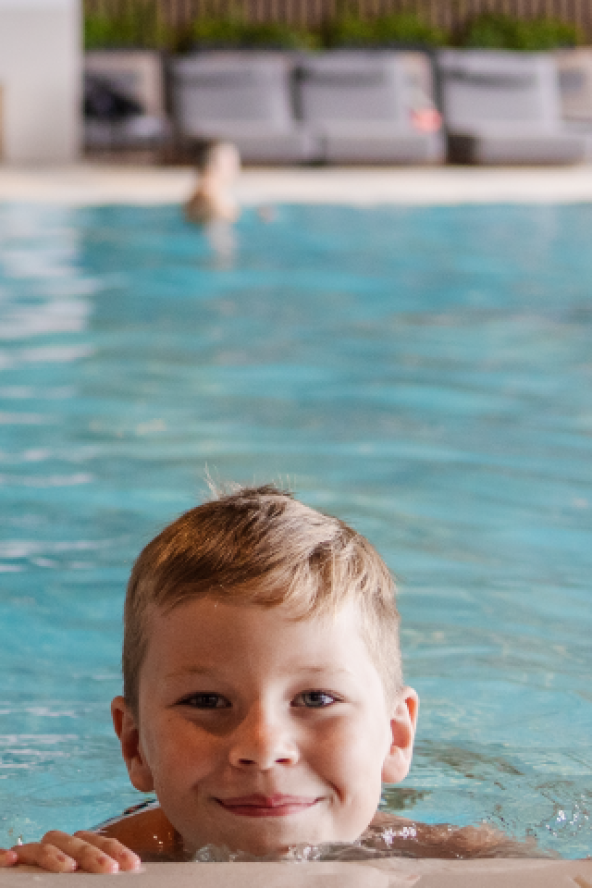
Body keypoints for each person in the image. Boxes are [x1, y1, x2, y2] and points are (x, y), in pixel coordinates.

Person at [0, 484, 536, 873]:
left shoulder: (452, 854)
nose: (262, 747)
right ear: (136, 744)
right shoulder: (118, 856)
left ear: (395, 737)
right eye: (207, 700)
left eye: (316, 697)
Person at [184, 140, 240, 227]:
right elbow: (217, 231)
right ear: (210, 165)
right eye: (231, 162)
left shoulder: (208, 193)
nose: (236, 167)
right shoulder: (210, 198)